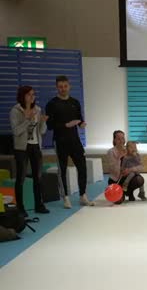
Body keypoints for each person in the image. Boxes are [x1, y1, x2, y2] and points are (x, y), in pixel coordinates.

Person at [45, 76, 94, 208]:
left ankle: (83, 195)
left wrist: (82, 124)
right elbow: (49, 125)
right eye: (60, 86)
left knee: (82, 166)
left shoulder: (75, 102)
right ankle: (65, 197)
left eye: (65, 86)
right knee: (62, 169)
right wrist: (65, 125)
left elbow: (79, 119)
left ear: (69, 86)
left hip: (75, 140)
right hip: (60, 141)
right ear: (57, 87)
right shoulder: (52, 104)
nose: (63, 89)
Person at [9, 86, 49, 217]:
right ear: (22, 96)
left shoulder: (37, 109)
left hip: (35, 146)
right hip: (22, 148)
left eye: (33, 94)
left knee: (38, 177)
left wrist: (43, 122)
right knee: (21, 178)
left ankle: (39, 205)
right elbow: (16, 131)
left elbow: (42, 131)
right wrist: (27, 120)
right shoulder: (15, 111)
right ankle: (20, 208)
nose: (32, 97)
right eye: (29, 95)